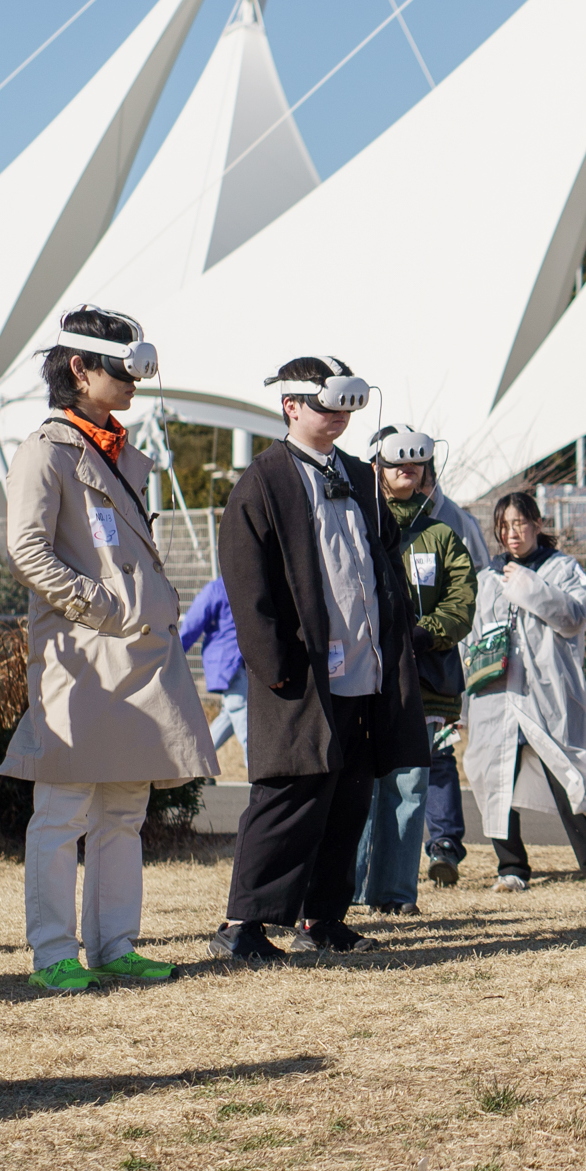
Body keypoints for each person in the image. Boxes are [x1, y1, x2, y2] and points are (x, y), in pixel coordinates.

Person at [1, 307, 212, 993]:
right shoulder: (45, 449)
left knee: (125, 810)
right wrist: (104, 606)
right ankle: (53, 955)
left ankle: (116, 944)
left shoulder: (119, 450)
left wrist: (145, 606)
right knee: (62, 811)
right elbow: (26, 550)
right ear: (78, 368)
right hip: (80, 654)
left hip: (139, 655)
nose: (132, 381)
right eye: (120, 368)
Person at [212, 357, 424, 962]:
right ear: (291, 406)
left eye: (344, 408)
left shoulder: (358, 475)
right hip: (302, 677)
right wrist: (274, 663)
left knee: (349, 796)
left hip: (365, 670)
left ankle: (322, 918)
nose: (337, 418)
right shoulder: (264, 480)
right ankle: (242, 926)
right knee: (288, 796)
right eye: (325, 406)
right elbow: (245, 580)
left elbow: (385, 560)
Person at [463, 489, 586, 893]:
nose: (512, 534)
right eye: (504, 526)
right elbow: (472, 638)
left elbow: (574, 616)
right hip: (496, 696)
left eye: (519, 524)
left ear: (537, 524)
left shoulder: (562, 569)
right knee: (494, 777)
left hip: (545, 693)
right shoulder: (488, 577)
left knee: (569, 775)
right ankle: (511, 867)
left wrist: (529, 587)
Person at [367, 427, 475, 895]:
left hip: (425, 679)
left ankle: (395, 894)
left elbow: (462, 601)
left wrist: (424, 633)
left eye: (415, 462)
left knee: (412, 783)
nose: (406, 469)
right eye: (395, 462)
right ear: (376, 468)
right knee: (362, 786)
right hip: (364, 675)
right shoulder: (359, 526)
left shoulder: (441, 535)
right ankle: (351, 893)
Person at [180, 576, 247, 762]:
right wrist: (175, 654)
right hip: (229, 666)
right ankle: (259, 775)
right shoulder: (218, 589)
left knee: (231, 714)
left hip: (235, 664)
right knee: (245, 721)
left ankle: (193, 761)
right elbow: (192, 625)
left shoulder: (226, 587)